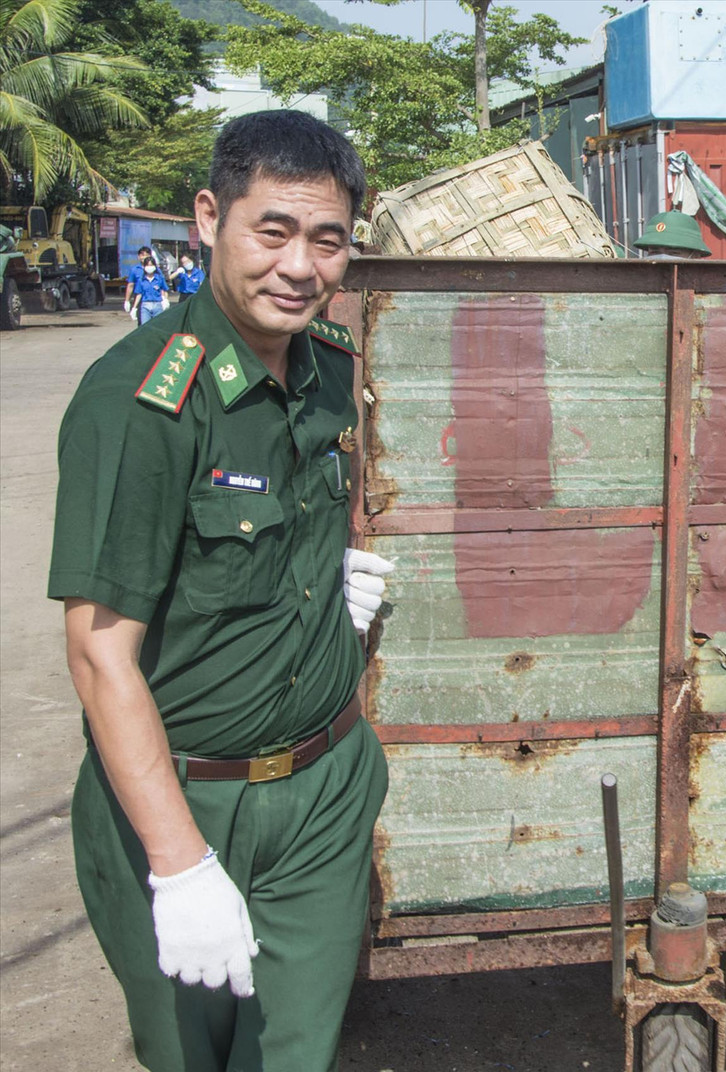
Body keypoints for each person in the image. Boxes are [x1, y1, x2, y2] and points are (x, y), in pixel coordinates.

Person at [49, 109, 396, 1072]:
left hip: (324, 788)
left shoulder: (330, 372)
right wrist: (179, 862)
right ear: (209, 218)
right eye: (273, 231)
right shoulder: (144, 403)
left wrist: (332, 591)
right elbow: (97, 653)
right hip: (185, 799)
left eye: (327, 241)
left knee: (293, 1055)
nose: (300, 266)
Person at [633, 210, 711, 258]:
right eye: (655, 252)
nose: (662, 258)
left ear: (695, 257)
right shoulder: (638, 283)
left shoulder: (710, 284)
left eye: (673, 253)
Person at [129, 256, 169, 324]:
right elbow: (139, 294)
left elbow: (164, 290)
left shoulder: (159, 278)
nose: (149, 267)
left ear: (155, 266)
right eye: (147, 265)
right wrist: (134, 308)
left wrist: (165, 300)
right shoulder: (141, 280)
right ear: (144, 267)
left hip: (157, 305)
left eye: (151, 265)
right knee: (145, 326)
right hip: (145, 305)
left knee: (158, 326)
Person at [124, 246, 164, 313]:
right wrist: (127, 300)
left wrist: (164, 299)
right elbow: (130, 285)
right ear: (138, 256)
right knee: (142, 321)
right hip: (139, 299)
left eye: (146, 255)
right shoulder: (135, 270)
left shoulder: (156, 270)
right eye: (142, 255)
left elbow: (162, 286)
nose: (144, 257)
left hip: (155, 299)